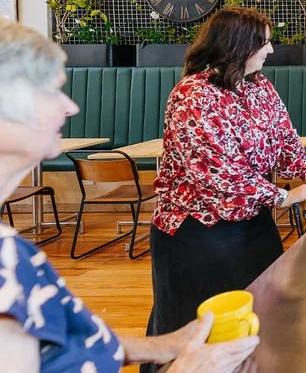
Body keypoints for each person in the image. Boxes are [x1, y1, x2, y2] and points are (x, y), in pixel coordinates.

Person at [0, 18, 258, 372]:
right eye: (50, 91)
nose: (70, 106)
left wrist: (164, 345)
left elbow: (67, 342)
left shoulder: (11, 248)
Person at [146, 8, 306, 350]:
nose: (271, 50)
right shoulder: (193, 94)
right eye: (264, 42)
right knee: (202, 331)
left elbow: (285, 136)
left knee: (263, 315)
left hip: (251, 220)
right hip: (198, 230)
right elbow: (219, 171)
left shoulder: (259, 85)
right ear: (237, 45)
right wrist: (285, 196)